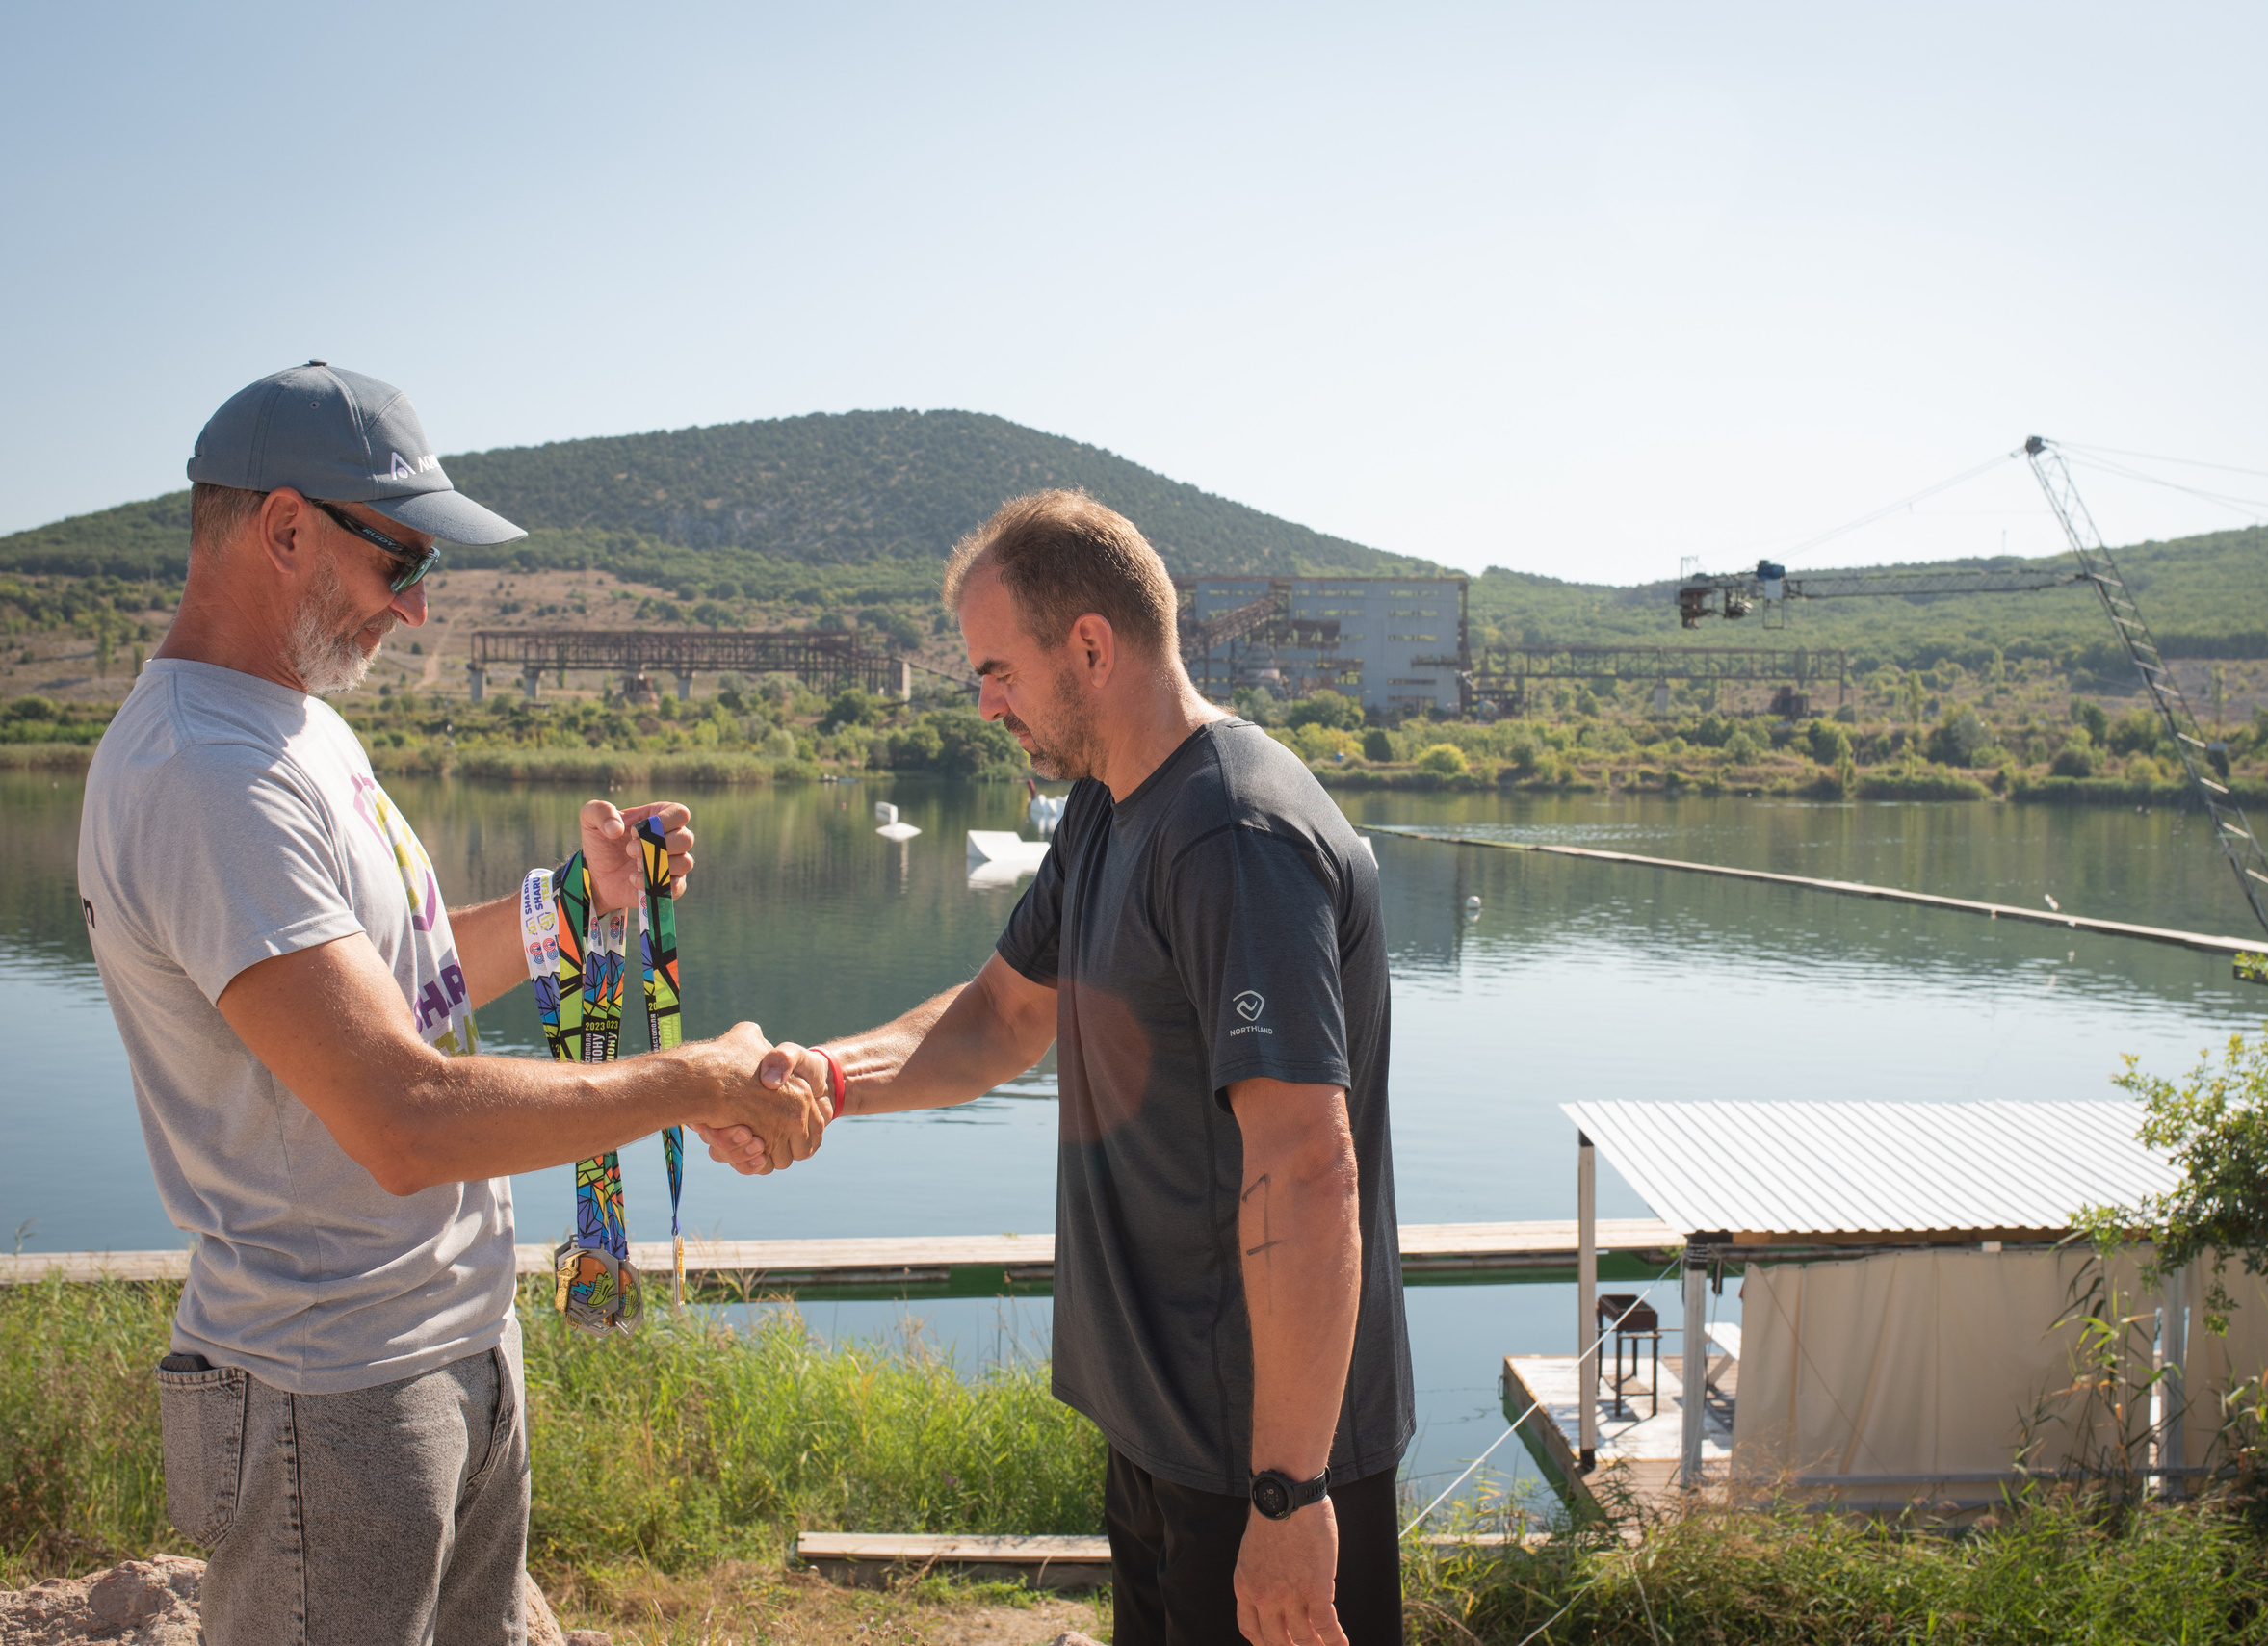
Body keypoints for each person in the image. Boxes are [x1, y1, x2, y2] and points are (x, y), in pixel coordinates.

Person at [76, 362, 826, 1646]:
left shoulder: (294, 726)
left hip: (435, 1351)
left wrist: (577, 908)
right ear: (289, 529)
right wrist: (695, 1077)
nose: (415, 614)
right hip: (334, 1392)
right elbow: (402, 1115)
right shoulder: (210, 772)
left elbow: (402, 981)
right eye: (403, 564)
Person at [703, 490, 1414, 1646]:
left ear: (1089, 645)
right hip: (1160, 1434)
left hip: (1256, 1460)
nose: (983, 704)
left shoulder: (1233, 834)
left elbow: (1307, 1162)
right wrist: (811, 1080)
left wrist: (1289, 1491)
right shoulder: (1106, 810)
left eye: (997, 670)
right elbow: (998, 1018)